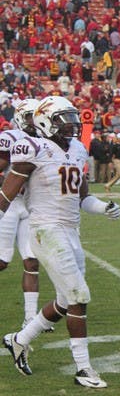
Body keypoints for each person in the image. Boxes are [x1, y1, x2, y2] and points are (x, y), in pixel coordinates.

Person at [1, 96, 120, 388]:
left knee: (67, 301)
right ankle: (83, 368)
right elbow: (5, 195)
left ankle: (20, 340)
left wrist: (104, 207)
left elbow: (83, 197)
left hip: (70, 230)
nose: (71, 124)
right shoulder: (33, 147)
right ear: (44, 122)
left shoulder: (78, 149)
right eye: (62, 119)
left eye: (71, 117)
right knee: (79, 296)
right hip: (45, 229)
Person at [0, 99, 43, 329]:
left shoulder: (45, 140)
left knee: (32, 260)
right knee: (2, 261)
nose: (33, 121)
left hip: (30, 206)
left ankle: (30, 317)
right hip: (8, 204)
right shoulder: (10, 138)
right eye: (29, 117)